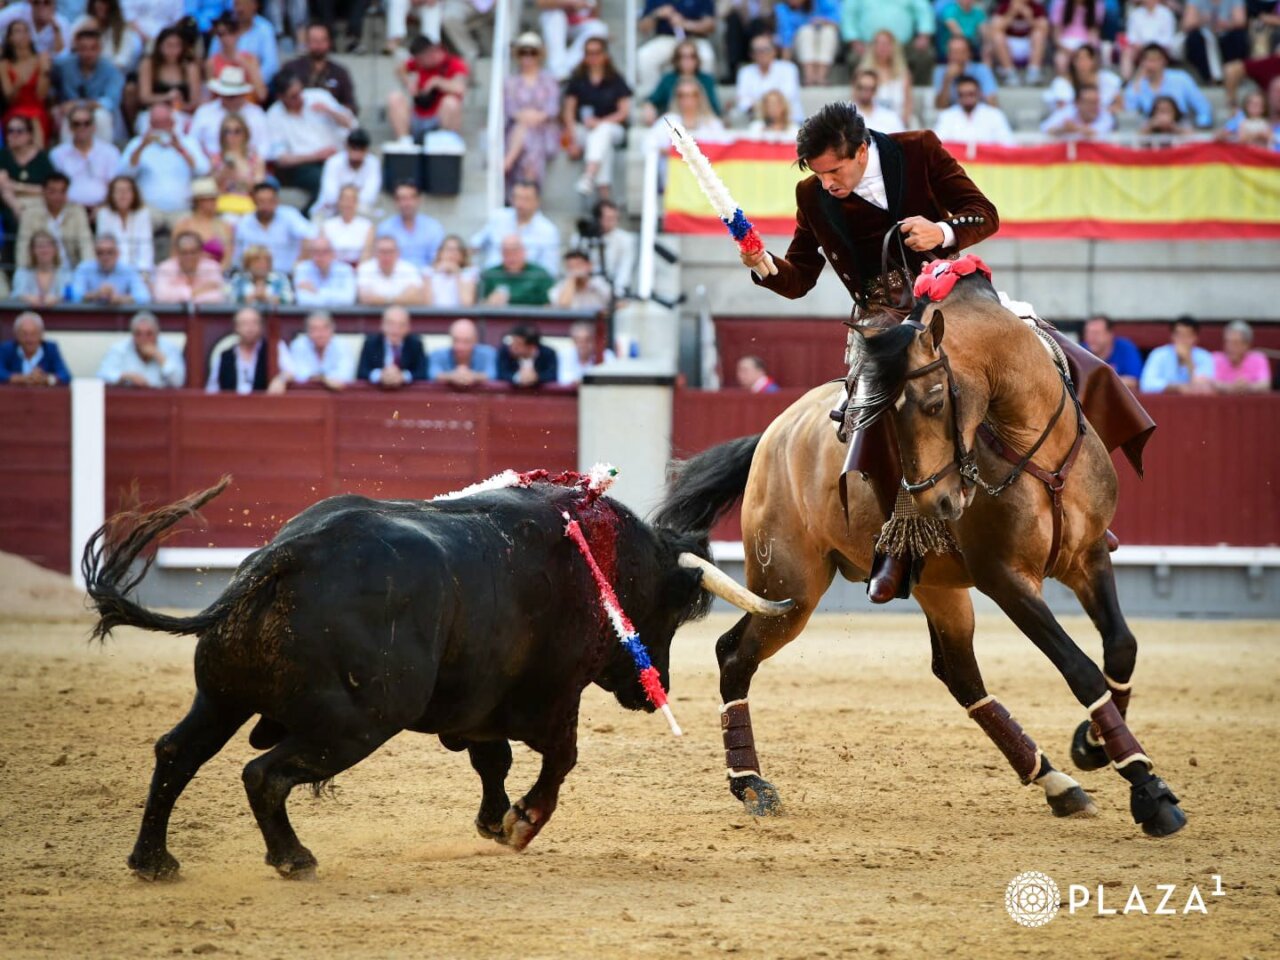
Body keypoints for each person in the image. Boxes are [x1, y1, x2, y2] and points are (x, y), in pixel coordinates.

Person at [739, 101, 998, 602]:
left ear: (862, 149)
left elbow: (983, 215)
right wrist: (764, 264)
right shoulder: (812, 195)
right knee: (878, 415)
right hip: (879, 324)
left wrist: (942, 232)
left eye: (836, 170)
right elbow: (799, 278)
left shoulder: (918, 149)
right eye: (819, 173)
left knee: (1036, 357)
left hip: (950, 301)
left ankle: (1068, 501)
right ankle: (897, 547)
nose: (829, 182)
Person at [266, 75, 356, 214]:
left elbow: (351, 124)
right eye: (293, 96)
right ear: (280, 97)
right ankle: (310, 216)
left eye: (300, 92)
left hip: (336, 158)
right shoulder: (274, 115)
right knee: (324, 182)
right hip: (302, 166)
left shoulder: (318, 96)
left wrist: (329, 111)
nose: (300, 98)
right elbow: (281, 159)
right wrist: (316, 156)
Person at [119, 102, 211, 234]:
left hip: (181, 209)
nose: (161, 127)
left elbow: (203, 171)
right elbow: (123, 175)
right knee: (137, 224)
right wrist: (141, 147)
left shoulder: (188, 142)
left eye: (165, 122)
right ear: (150, 124)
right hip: (148, 210)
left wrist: (181, 149)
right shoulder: (137, 143)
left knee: (192, 235)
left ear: (173, 122)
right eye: (157, 123)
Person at [562, 36, 631, 199]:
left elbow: (623, 112)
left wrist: (600, 122)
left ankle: (589, 174)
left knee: (603, 131)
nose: (593, 57)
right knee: (602, 143)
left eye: (597, 53)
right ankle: (604, 196)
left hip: (612, 128)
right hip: (584, 130)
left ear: (605, 55)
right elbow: (568, 112)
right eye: (589, 53)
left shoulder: (615, 79)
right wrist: (572, 140)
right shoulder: (577, 79)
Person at [503, 32, 561, 196]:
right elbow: (511, 109)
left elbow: (552, 109)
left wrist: (534, 116)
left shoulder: (549, 80)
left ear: (539, 55)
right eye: (523, 52)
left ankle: (508, 162)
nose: (527, 57)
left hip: (544, 130)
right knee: (525, 132)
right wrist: (526, 116)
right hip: (518, 130)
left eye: (532, 52)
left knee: (528, 134)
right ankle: (529, 193)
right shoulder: (511, 82)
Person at [470, 179, 561, 276]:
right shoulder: (499, 217)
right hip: (493, 280)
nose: (520, 204)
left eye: (526, 199)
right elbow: (475, 245)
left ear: (537, 201)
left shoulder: (548, 230)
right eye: (517, 198)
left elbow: (550, 271)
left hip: (528, 284)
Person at [840, 0, 936, 86]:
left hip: (904, 45)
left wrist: (924, 36)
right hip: (868, 46)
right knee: (854, 58)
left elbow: (924, 12)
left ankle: (918, 90)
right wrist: (854, 41)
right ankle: (862, 93)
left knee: (925, 55)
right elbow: (848, 15)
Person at [51, 27, 123, 141]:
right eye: (83, 48)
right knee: (66, 116)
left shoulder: (111, 70)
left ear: (100, 49)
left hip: (98, 112)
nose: (88, 53)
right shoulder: (64, 65)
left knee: (101, 116)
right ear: (76, 49)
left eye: (93, 48)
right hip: (69, 111)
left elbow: (110, 102)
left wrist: (79, 104)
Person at [387, 36, 466, 139]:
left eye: (420, 59)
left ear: (430, 53)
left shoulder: (455, 63)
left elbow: (460, 88)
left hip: (439, 117)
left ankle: (446, 141)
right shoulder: (419, 63)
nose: (418, 62)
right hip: (418, 116)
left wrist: (437, 82)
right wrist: (409, 83)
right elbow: (400, 70)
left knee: (451, 102)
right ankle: (404, 141)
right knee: (394, 97)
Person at [1123, 43, 1213, 128]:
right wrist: (1137, 81)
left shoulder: (1181, 78)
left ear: (1164, 61)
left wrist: (1202, 125)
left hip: (1179, 127)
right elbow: (1130, 111)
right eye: (1147, 60)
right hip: (1151, 131)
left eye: (1154, 60)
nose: (1150, 64)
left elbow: (1202, 106)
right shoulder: (1138, 83)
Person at [232, 181, 317, 272]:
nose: (266, 206)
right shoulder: (244, 222)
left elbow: (310, 237)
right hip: (255, 277)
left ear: (277, 201)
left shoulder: (290, 215)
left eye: (270, 201)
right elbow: (239, 255)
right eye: (261, 201)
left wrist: (300, 263)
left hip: (287, 274)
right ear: (253, 201)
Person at [16, 172, 93, 268]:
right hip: (39, 272)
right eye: (53, 191)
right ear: (43, 191)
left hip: (71, 269)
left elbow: (86, 244)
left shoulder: (77, 212)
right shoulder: (30, 213)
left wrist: (87, 272)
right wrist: (23, 271)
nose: (58, 196)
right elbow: (23, 246)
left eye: (62, 191)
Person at [190, 65, 270, 158]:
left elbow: (265, 146)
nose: (230, 99)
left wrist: (247, 162)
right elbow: (193, 143)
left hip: (248, 166)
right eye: (226, 95)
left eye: (233, 96)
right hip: (210, 167)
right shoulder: (204, 112)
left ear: (242, 94)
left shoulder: (256, 114)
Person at [636, 0, 716, 92]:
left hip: (695, 38)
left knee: (706, 57)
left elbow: (710, 25)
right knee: (644, 56)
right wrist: (657, 14)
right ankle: (653, 98)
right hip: (666, 38)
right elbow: (643, 27)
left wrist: (685, 24)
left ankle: (703, 98)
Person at [50, 103, 119, 209]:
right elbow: (55, 188)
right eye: (77, 124)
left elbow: (114, 186)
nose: (82, 127)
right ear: (70, 128)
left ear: (94, 127)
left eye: (86, 123)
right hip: (69, 209)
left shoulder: (110, 152)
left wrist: (102, 207)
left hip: (104, 208)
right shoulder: (57, 154)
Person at [277, 23, 357, 113]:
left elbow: (352, 106)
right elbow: (279, 99)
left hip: (330, 123)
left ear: (330, 42)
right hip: (297, 122)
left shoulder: (339, 72)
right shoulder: (291, 68)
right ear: (306, 42)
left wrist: (333, 110)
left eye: (323, 40)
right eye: (314, 41)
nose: (319, 45)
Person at [1182, 0, 1247, 108]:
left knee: (1238, 37)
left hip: (1226, 35)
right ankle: (1208, 78)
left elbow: (1241, 21)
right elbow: (1187, 24)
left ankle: (1231, 75)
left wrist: (1225, 24)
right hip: (1204, 36)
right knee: (1194, 39)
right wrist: (1202, 20)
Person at [96, 309, 185, 387]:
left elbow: (178, 382)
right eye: (138, 334)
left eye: (149, 334)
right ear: (132, 335)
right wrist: (126, 376)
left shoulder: (170, 349)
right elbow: (101, 376)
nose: (144, 339)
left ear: (157, 334)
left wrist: (159, 356)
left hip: (162, 402)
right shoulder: (119, 349)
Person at [0, 20, 53, 148]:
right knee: (19, 120)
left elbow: (41, 95)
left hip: (37, 108)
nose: (22, 35)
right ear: (10, 38)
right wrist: (18, 84)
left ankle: (37, 160)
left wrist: (44, 72)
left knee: (35, 118)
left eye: (25, 31)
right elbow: (10, 99)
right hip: (15, 109)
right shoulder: (4, 65)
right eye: (17, 31)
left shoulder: (41, 59)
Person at [0, 115, 54, 240]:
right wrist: (16, 207)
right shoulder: (3, 156)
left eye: (19, 131)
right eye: (10, 130)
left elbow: (49, 188)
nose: (14, 134)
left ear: (29, 134)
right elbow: (3, 185)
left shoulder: (41, 158)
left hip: (38, 202)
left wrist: (18, 186)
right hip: (10, 204)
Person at [643, 38, 721, 124]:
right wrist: (649, 107)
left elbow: (714, 109)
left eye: (692, 56)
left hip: (701, 124)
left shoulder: (706, 80)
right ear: (677, 59)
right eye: (683, 56)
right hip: (674, 123)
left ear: (697, 59)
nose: (687, 60)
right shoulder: (668, 79)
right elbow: (652, 100)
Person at [570, 198, 635, 298]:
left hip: (611, 288)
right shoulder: (581, 237)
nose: (612, 222)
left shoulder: (625, 239)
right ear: (597, 218)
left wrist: (617, 292)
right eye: (608, 218)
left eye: (615, 218)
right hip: (584, 287)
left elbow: (625, 268)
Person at [376, 180, 444, 270]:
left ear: (419, 200)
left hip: (427, 278)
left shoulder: (434, 227)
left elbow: (438, 260)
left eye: (411, 198)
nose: (407, 204)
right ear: (395, 202)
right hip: (395, 278)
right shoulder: (385, 228)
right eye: (402, 199)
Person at [276, 310, 350, 391]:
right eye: (314, 329)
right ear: (307, 331)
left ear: (332, 329)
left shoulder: (342, 345)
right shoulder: (299, 344)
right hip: (305, 394)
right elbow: (298, 374)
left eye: (325, 328)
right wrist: (324, 379)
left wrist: (321, 378)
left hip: (337, 396)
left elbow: (345, 375)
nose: (320, 334)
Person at [314, 128, 380, 220]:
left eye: (360, 149)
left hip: (359, 210)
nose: (356, 153)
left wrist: (348, 201)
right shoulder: (333, 162)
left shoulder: (373, 163)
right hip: (330, 210)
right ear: (346, 147)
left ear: (367, 150)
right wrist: (348, 200)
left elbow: (369, 196)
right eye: (353, 148)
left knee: (369, 214)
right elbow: (330, 195)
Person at [1139, 315, 1216, 393]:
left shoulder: (1204, 356)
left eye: (1187, 335)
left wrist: (1188, 361)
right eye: (1179, 335)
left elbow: (1204, 387)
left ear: (1195, 338)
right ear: (1172, 336)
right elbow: (1146, 384)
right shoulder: (1159, 354)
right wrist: (1177, 388)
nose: (1183, 339)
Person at [207, 0, 277, 85]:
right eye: (236, 4)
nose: (239, 9)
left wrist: (252, 83)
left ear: (254, 5)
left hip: (254, 86)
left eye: (243, 4)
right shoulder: (222, 30)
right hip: (224, 86)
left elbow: (271, 65)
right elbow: (212, 60)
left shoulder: (265, 29)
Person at [356, 305, 428, 387]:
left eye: (401, 325)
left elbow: (422, 373)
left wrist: (403, 376)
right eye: (391, 324)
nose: (396, 330)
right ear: (382, 325)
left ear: (408, 328)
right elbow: (362, 372)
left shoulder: (416, 344)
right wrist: (381, 375)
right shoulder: (370, 343)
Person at [137, 25, 201, 117]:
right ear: (160, 46)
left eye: (177, 45)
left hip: (181, 113)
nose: (173, 50)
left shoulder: (190, 67)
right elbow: (144, 97)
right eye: (169, 45)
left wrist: (182, 106)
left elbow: (195, 101)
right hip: (152, 113)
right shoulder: (148, 64)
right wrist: (167, 97)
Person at [94, 174, 153, 275]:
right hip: (111, 271)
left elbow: (146, 249)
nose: (123, 194)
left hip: (139, 271)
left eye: (127, 191)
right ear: (112, 195)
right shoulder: (103, 214)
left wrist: (142, 273)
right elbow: (104, 247)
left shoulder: (143, 214)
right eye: (119, 191)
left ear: (134, 194)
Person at [734, 35, 802, 122]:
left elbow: (787, 97)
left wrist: (759, 104)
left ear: (774, 51)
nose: (761, 54)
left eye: (765, 50)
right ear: (752, 55)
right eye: (757, 51)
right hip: (757, 121)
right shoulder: (745, 72)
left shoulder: (789, 69)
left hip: (790, 121)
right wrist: (766, 105)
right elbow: (742, 100)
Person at [933, 75, 1016, 145]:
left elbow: (1008, 144)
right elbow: (939, 145)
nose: (967, 98)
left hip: (987, 162)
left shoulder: (994, 115)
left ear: (979, 93)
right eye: (962, 94)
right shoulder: (947, 116)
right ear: (957, 96)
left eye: (971, 94)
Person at [209, 111, 264, 218]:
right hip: (223, 207)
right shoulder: (216, 158)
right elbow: (211, 187)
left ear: (245, 133)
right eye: (227, 131)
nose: (232, 136)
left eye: (237, 131)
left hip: (249, 207)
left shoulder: (255, 159)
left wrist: (239, 173)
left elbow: (259, 189)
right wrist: (224, 172)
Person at [857, 29, 913, 130]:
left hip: (897, 124)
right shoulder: (863, 72)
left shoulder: (904, 74)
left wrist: (899, 125)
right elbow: (857, 102)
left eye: (886, 44)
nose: (882, 47)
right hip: (869, 124)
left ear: (893, 47)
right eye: (879, 43)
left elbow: (908, 104)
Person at [537, 0, 608, 80]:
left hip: (580, 23)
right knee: (553, 15)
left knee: (599, 28)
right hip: (557, 21)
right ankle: (557, 68)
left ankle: (565, 69)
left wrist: (583, 8)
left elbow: (595, 11)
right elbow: (542, 3)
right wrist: (570, 3)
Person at [151, 229, 226, 303]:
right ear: (177, 253)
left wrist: (180, 297)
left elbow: (219, 296)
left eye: (192, 252)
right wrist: (196, 292)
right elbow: (161, 296)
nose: (188, 257)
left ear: (200, 252)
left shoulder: (212, 267)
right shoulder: (165, 267)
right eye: (184, 252)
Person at [172, 177, 233, 268]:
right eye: (210, 199)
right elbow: (175, 256)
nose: (215, 202)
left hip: (217, 277)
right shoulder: (183, 225)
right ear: (198, 201)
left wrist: (215, 274)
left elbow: (228, 258)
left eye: (215, 199)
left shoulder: (224, 226)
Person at [775, 0, 840, 86]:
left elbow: (838, 22)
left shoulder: (824, 2)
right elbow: (786, 38)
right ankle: (809, 77)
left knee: (828, 31)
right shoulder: (782, 9)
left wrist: (823, 21)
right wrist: (783, 69)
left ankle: (821, 76)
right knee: (806, 31)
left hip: (825, 41)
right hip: (798, 47)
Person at [70, 234, 149, 303]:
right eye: (100, 253)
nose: (105, 257)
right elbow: (74, 295)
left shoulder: (128, 270)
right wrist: (96, 295)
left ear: (118, 254)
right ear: (95, 254)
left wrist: (120, 299)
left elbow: (144, 297)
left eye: (110, 252)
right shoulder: (84, 269)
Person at [206, 305, 268, 394]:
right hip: (229, 406)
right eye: (245, 324)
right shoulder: (225, 356)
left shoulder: (272, 350)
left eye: (254, 323)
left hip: (263, 405)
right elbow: (212, 388)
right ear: (236, 327)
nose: (250, 328)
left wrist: (281, 379)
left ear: (261, 326)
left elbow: (292, 373)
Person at [205, 12, 267, 102]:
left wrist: (244, 64)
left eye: (230, 32)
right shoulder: (211, 63)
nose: (225, 38)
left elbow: (262, 95)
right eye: (221, 34)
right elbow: (211, 98)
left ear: (238, 33)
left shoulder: (251, 60)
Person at [479, 235, 554, 306]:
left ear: (524, 252)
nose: (511, 257)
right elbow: (478, 304)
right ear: (501, 253)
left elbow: (550, 304)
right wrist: (489, 303)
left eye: (515, 252)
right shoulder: (490, 274)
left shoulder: (539, 274)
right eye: (507, 253)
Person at [1043, 42, 1121, 111]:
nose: (1082, 62)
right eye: (1079, 59)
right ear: (1074, 62)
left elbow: (1119, 105)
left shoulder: (1107, 79)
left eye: (1086, 58)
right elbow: (1062, 108)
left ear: (1093, 61)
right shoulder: (1062, 82)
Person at [0, 311, 71, 385]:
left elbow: (65, 376)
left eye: (34, 334)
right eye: (24, 334)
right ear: (16, 334)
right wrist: (21, 378)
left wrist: (46, 379)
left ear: (41, 334)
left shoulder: (50, 349)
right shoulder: (7, 349)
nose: (29, 339)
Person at [989, 0, 1049, 85]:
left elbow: (1045, 30)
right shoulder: (1004, 6)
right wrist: (1011, 13)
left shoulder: (1036, 7)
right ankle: (1010, 74)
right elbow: (995, 29)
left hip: (1029, 46)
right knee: (998, 37)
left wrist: (1030, 18)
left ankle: (1033, 73)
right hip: (1009, 46)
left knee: (1038, 35)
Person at [933, 35, 999, 110]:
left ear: (969, 54)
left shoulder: (982, 70)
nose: (955, 56)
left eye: (960, 52)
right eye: (952, 52)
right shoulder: (940, 71)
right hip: (952, 116)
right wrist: (947, 80)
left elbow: (993, 104)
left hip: (977, 113)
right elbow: (941, 107)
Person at [429, 316, 497, 386]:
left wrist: (473, 376)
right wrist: (452, 376)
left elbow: (493, 374)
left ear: (475, 340)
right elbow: (432, 374)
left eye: (466, 341)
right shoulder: (437, 354)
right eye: (456, 340)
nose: (460, 347)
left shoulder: (488, 353)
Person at [356, 235, 424, 305]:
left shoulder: (409, 268)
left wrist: (383, 300)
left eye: (390, 251)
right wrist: (401, 299)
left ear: (398, 253)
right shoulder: (365, 268)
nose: (386, 256)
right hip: (371, 314)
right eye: (382, 251)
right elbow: (365, 298)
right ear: (374, 253)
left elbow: (416, 297)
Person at [1082, 313, 1142, 390]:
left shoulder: (1125, 348)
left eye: (1096, 333)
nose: (1091, 337)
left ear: (1109, 334)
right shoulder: (1081, 351)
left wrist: (1098, 383)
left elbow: (1133, 381)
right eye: (1088, 333)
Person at [293, 235, 357, 307]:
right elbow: (302, 300)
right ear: (310, 254)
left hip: (340, 315)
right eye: (316, 252)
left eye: (325, 252)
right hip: (310, 314)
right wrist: (335, 296)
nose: (320, 256)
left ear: (333, 253)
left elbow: (348, 299)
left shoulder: (345, 269)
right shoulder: (302, 268)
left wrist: (317, 291)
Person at [11, 229, 70, 305]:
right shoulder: (22, 272)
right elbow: (16, 294)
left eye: (48, 245)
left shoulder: (65, 272)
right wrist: (27, 298)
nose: (44, 250)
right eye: (40, 246)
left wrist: (57, 299)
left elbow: (70, 296)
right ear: (32, 250)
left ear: (55, 249)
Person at [322, 183, 375, 266]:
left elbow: (366, 255)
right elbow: (324, 253)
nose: (347, 203)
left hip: (358, 269)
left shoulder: (367, 226)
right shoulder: (327, 226)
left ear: (357, 203)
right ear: (339, 201)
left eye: (351, 199)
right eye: (344, 199)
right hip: (334, 270)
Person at [722, 0, 774, 83]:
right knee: (733, 20)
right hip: (738, 37)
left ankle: (758, 60)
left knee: (757, 23)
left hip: (757, 35)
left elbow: (769, 18)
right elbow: (721, 14)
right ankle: (733, 71)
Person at [1122, 0, 1177, 78]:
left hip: (1160, 48)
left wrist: (1151, 46)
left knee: (1152, 54)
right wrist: (1141, 46)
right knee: (1127, 52)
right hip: (1140, 48)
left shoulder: (1166, 14)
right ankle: (1126, 81)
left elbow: (1168, 38)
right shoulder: (1135, 14)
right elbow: (1131, 37)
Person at [1211, 320, 1270, 392]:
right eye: (1227, 342)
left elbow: (1265, 384)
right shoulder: (1216, 358)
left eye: (1235, 343)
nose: (1230, 347)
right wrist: (1230, 387)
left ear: (1247, 345)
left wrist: (1248, 386)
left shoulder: (1258, 359)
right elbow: (1210, 383)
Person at [421, 233, 477, 308]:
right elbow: (426, 304)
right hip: (433, 315)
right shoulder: (428, 271)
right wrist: (435, 273)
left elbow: (467, 303)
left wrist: (457, 274)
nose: (452, 254)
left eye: (457, 250)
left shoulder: (469, 272)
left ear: (462, 255)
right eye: (449, 249)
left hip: (459, 315)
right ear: (440, 252)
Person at [0, 0, 71, 58]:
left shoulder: (61, 24)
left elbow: (63, 57)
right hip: (15, 61)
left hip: (47, 68)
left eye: (46, 2)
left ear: (54, 4)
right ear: (30, 2)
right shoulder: (18, 12)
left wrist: (56, 31)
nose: (41, 6)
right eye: (36, 2)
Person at [1041, 83, 1115, 137]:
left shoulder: (1105, 115)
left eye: (1096, 102)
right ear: (1077, 103)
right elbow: (1045, 128)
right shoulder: (1067, 111)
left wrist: (1074, 129)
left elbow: (1097, 132)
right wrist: (1062, 129)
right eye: (1089, 102)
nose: (1094, 107)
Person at [229, 245, 294, 306]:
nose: (262, 266)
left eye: (266, 262)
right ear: (248, 264)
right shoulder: (239, 279)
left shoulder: (280, 279)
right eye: (257, 262)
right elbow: (231, 300)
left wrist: (266, 297)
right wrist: (253, 296)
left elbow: (288, 300)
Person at [556, 318, 612, 385]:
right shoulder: (564, 354)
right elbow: (563, 380)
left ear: (594, 340)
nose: (583, 344)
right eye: (578, 340)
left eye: (587, 340)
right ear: (573, 341)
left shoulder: (607, 355)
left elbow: (609, 379)